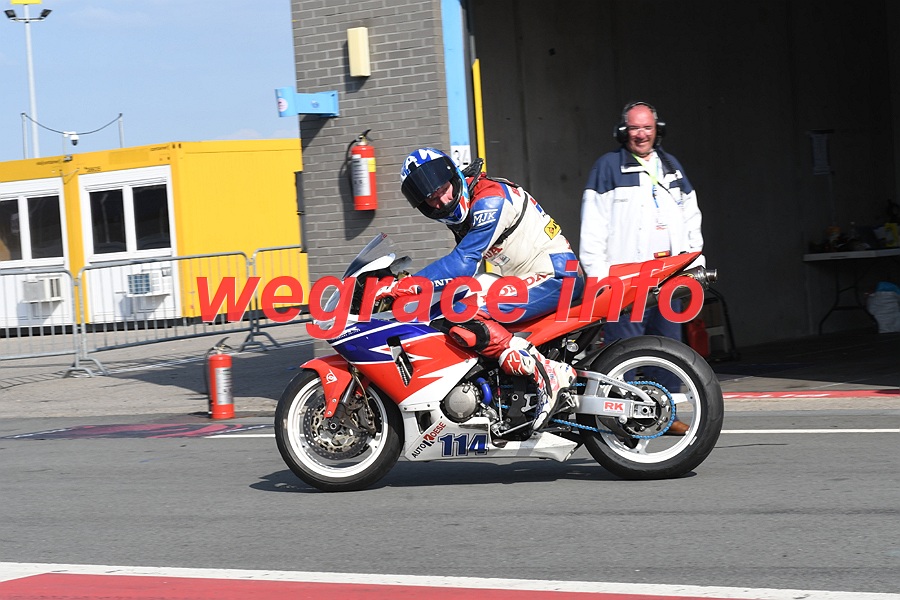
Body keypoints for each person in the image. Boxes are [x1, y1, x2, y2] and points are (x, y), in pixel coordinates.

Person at [375, 148, 585, 431]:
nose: (442, 201)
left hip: (555, 275)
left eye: (443, 190)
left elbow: (463, 263)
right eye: (432, 199)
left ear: (454, 177)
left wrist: (404, 287)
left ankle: (546, 373)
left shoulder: (490, 199)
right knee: (449, 307)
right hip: (528, 276)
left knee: (463, 311)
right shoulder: (466, 211)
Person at [579, 101, 705, 436]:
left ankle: (665, 414)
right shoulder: (607, 167)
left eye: (647, 127)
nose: (641, 134)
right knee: (624, 350)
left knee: (668, 348)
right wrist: (598, 278)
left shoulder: (671, 166)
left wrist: (695, 263)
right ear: (624, 131)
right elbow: (593, 226)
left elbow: (691, 216)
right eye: (635, 128)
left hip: (668, 276)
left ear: (657, 129)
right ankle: (619, 417)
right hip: (625, 282)